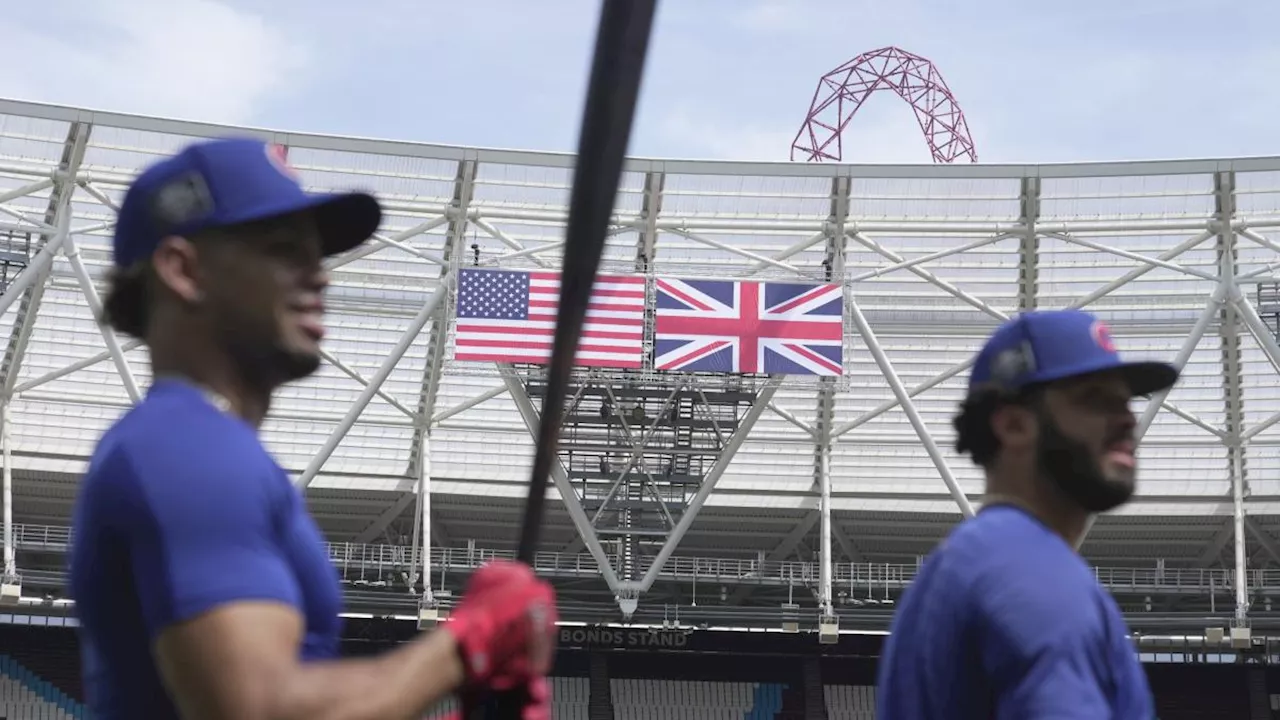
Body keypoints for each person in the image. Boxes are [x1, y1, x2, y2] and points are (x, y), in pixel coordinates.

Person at [68, 138, 558, 720]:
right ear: (183, 269)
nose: (320, 277)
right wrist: (467, 644)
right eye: (284, 251)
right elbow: (257, 710)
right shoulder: (186, 447)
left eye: (317, 256)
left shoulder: (191, 444)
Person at [876, 308, 1178, 719]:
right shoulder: (1031, 572)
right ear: (1015, 425)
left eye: (1126, 402)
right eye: (1095, 400)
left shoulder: (968, 562)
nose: (1128, 420)